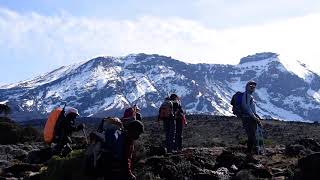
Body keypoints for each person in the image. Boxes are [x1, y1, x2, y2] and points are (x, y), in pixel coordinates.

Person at [241, 80, 262, 155]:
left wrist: (256, 117)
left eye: (254, 86)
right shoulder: (246, 95)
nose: (252, 87)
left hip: (251, 118)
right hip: (248, 118)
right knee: (251, 135)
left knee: (253, 135)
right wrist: (254, 117)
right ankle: (250, 152)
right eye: (250, 86)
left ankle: (252, 151)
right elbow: (246, 107)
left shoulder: (250, 96)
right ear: (247, 87)